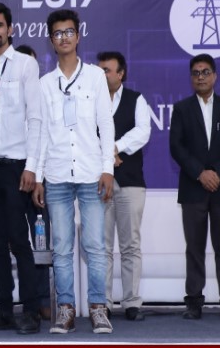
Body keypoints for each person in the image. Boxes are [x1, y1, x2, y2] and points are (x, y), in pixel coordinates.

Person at [34, 9, 114, 335]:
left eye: (69, 32)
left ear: (78, 36)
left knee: (95, 246)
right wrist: (38, 176)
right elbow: (40, 134)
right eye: (58, 33)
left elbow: (105, 124)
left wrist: (107, 169)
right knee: (62, 247)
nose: (64, 38)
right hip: (56, 175)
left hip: (91, 172)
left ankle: (98, 308)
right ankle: (65, 309)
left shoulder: (95, 77)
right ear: (51, 40)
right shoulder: (44, 84)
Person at [0, 3, 44, 335]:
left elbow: (36, 119)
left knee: (19, 240)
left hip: (17, 168)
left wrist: (32, 168)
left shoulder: (27, 65)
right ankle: (3, 310)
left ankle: (30, 311)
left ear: (10, 29)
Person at [169, 54, 220, 321]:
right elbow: (176, 147)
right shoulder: (181, 109)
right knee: (194, 248)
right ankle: (194, 302)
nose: (200, 77)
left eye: (205, 72)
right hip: (193, 187)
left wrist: (217, 173)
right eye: (196, 73)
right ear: (191, 78)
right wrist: (200, 173)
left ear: (215, 76)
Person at [97, 51, 151, 322]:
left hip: (130, 182)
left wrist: (114, 147)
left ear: (121, 74)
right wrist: (106, 155)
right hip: (98, 181)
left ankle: (131, 302)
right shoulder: (90, 100)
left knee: (130, 245)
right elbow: (82, 135)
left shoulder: (136, 99)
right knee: (102, 247)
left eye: (107, 70)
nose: (102, 75)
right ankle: (103, 303)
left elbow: (142, 132)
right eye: (100, 70)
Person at [15, 44, 52, 322]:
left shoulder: (44, 95)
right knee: (15, 240)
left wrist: (38, 175)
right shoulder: (6, 97)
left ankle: (42, 300)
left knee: (41, 240)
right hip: (11, 177)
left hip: (38, 178)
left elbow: (47, 138)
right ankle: (23, 299)